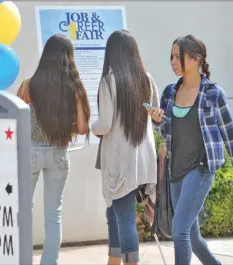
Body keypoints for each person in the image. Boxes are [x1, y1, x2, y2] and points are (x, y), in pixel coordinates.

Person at [148, 34, 233, 265]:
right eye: (171, 57)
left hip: (201, 169)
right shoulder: (169, 93)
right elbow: (168, 133)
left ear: (195, 59)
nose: (173, 61)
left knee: (180, 230)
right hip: (176, 172)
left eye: (178, 56)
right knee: (192, 237)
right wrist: (157, 121)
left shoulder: (214, 94)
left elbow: (231, 137)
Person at [17, 34, 90, 265]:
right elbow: (81, 128)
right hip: (58, 153)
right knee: (53, 215)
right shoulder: (74, 88)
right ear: (69, 57)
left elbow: (16, 121)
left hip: (30, 152)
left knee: (23, 211)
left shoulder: (29, 84)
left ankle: (22, 260)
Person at [91, 30, 159, 265]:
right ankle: (114, 260)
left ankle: (130, 262)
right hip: (143, 160)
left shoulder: (109, 80)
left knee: (125, 217)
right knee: (114, 214)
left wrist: (93, 127)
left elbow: (105, 125)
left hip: (121, 162)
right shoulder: (146, 79)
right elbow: (155, 114)